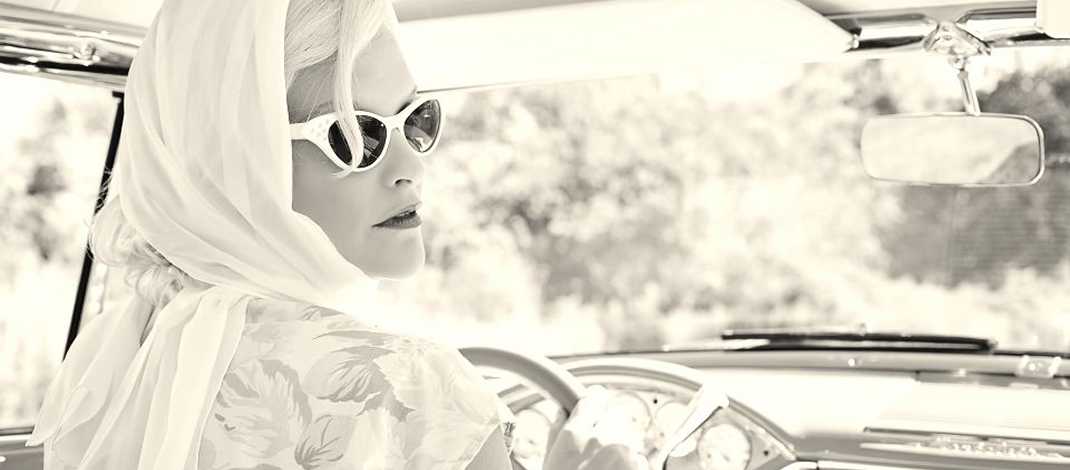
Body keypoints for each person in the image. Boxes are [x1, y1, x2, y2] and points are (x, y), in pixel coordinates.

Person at [25, 0, 648, 469]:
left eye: (417, 119)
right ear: (241, 164)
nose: (409, 166)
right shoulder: (412, 387)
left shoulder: (111, 362)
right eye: (354, 135)